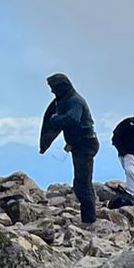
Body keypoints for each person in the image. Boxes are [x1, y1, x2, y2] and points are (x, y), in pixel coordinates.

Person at [38, 73, 100, 225]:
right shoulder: (66, 99)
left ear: (61, 87)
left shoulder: (75, 101)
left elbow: (72, 119)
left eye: (53, 88)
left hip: (85, 145)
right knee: (82, 182)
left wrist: (54, 119)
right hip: (79, 144)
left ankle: (89, 220)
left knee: (82, 184)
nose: (52, 92)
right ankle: (88, 217)